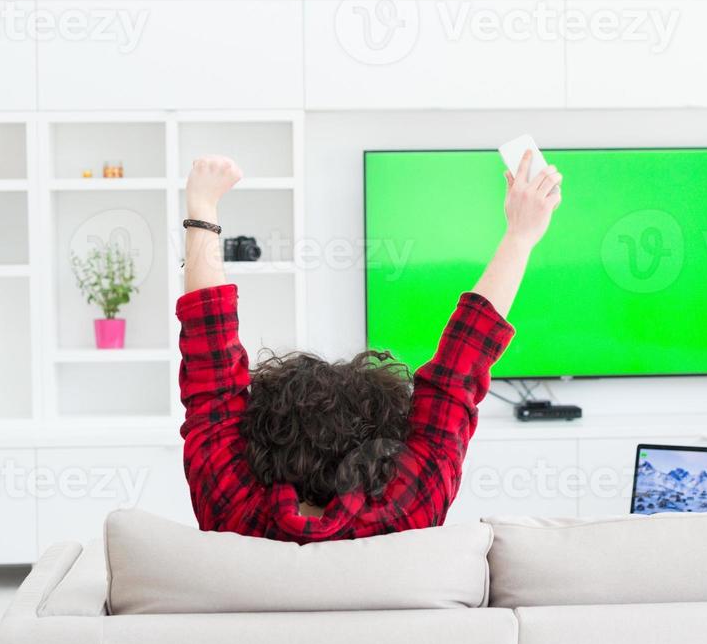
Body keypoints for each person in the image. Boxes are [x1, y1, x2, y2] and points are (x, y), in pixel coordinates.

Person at [177, 151, 563, 541]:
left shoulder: (232, 507)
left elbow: (211, 366)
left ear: (259, 435)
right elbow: (459, 367)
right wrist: (520, 235)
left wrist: (202, 207)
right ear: (386, 444)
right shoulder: (409, 511)